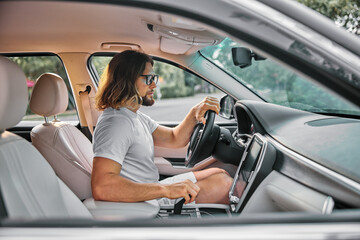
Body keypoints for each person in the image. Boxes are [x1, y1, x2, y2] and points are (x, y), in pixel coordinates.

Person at [91, 50, 233, 205]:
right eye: (148, 78)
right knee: (225, 184)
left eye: (154, 78)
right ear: (128, 80)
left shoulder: (133, 116)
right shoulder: (116, 124)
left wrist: (194, 113)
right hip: (145, 203)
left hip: (152, 190)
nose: (154, 84)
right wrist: (166, 191)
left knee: (220, 172)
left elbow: (174, 138)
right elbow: (102, 187)